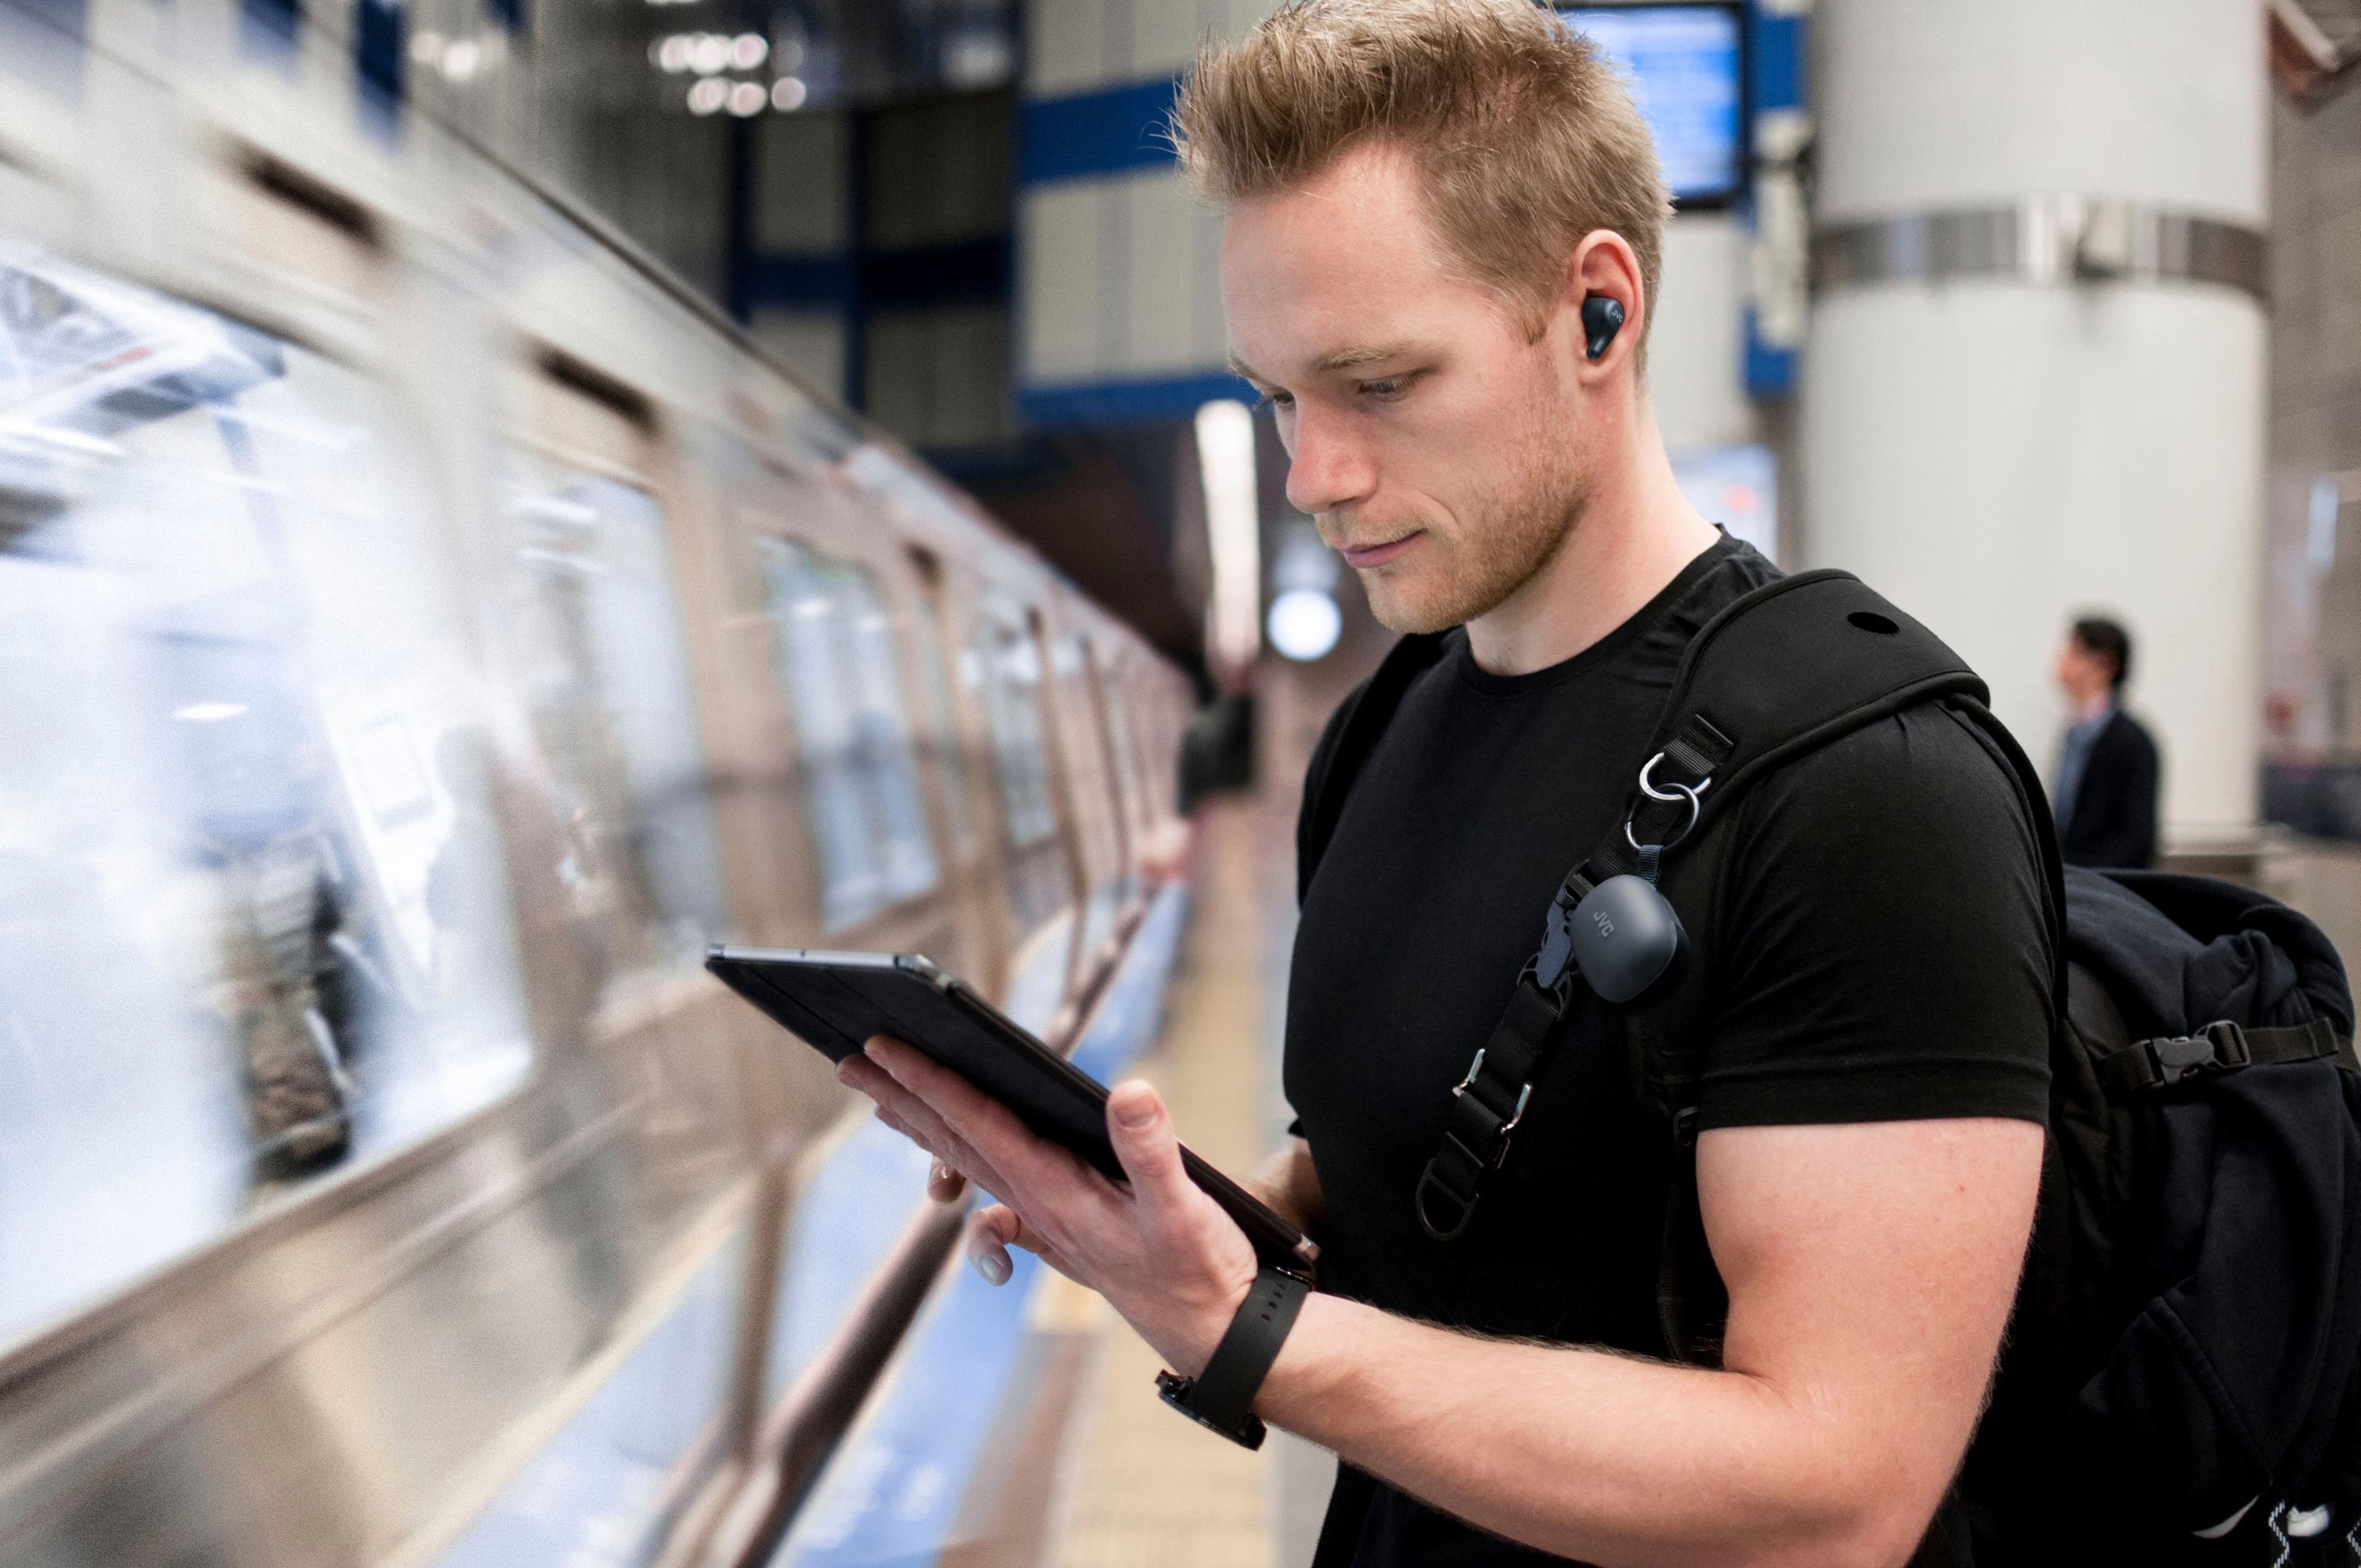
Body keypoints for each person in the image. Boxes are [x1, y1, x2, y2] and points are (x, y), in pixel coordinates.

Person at [836, 4, 2052, 1566]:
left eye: (1380, 384)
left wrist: (1250, 1331)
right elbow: (1424, 1204)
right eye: (1279, 395)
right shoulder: (1386, 727)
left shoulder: (1868, 790)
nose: (1312, 473)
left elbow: (1836, 1492)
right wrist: (1169, 1217)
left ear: (1596, 315)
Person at [2052, 615, 2161, 869]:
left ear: (2105, 665)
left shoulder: (2134, 743)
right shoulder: (2073, 735)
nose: (2063, 660)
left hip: (2105, 887)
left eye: (2076, 652)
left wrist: (2086, 879)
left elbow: (2137, 839)